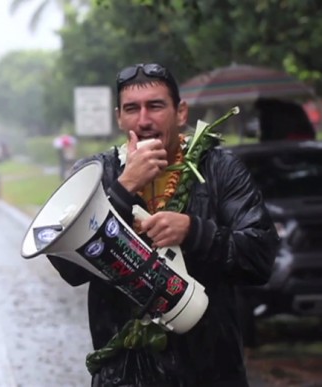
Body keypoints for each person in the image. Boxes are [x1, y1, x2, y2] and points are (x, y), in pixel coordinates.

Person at [46, 63, 279, 386]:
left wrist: (195, 231)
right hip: (123, 374)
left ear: (180, 112)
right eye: (132, 109)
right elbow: (67, 268)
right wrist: (123, 191)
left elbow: (260, 257)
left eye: (155, 106)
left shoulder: (220, 169)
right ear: (119, 117)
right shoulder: (96, 174)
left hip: (211, 371)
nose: (143, 120)